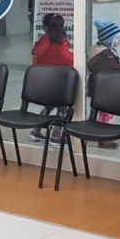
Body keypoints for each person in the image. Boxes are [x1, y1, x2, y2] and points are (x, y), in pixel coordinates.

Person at [87, 20, 120, 147]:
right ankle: (103, 138)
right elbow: (116, 65)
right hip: (104, 89)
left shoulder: (100, 50)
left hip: (99, 87)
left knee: (101, 112)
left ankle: (96, 133)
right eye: (117, 38)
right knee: (106, 113)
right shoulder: (105, 54)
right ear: (108, 39)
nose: (119, 40)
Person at [29, 14, 73, 143]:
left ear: (46, 27)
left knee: (48, 106)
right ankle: (56, 136)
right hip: (60, 79)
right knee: (62, 108)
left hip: (46, 78)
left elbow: (36, 54)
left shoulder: (44, 39)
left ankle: (36, 131)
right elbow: (65, 56)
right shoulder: (61, 40)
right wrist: (77, 60)